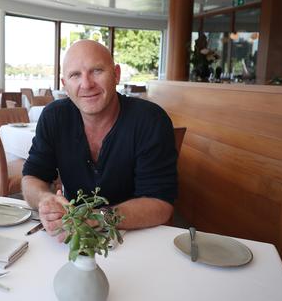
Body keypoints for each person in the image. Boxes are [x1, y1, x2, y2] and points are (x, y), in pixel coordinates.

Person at [21, 40, 178, 240]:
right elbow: (32, 176)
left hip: (138, 236)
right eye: (75, 75)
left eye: (96, 71)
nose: (86, 84)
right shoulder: (54, 117)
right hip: (73, 236)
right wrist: (45, 199)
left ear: (116, 74)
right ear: (64, 84)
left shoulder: (150, 120)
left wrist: (97, 217)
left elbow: (160, 204)